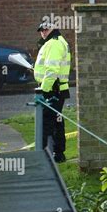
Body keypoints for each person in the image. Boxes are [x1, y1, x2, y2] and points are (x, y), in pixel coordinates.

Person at [34, 22, 71, 163]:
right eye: (41, 30)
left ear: (53, 29)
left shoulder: (53, 44)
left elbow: (52, 70)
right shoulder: (59, 41)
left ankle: (41, 155)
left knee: (45, 122)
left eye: (45, 29)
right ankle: (59, 153)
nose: (43, 32)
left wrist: (43, 91)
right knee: (57, 121)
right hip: (58, 89)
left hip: (52, 90)